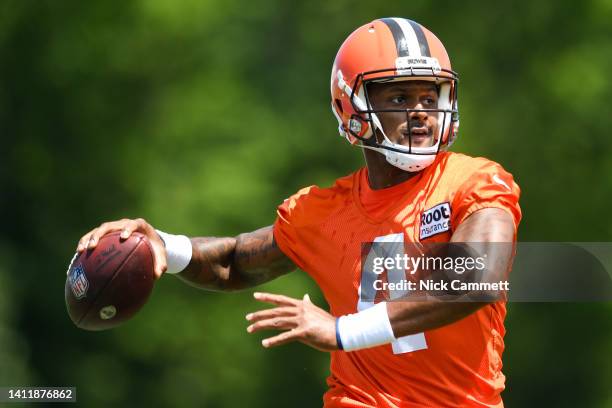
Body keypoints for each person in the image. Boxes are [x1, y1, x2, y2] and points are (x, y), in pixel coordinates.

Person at [77, 17, 521, 407]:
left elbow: (475, 280)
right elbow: (234, 262)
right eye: (401, 98)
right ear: (353, 107)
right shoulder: (324, 212)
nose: (421, 113)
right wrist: (163, 246)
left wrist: (344, 331)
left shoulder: (475, 182)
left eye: (430, 96)